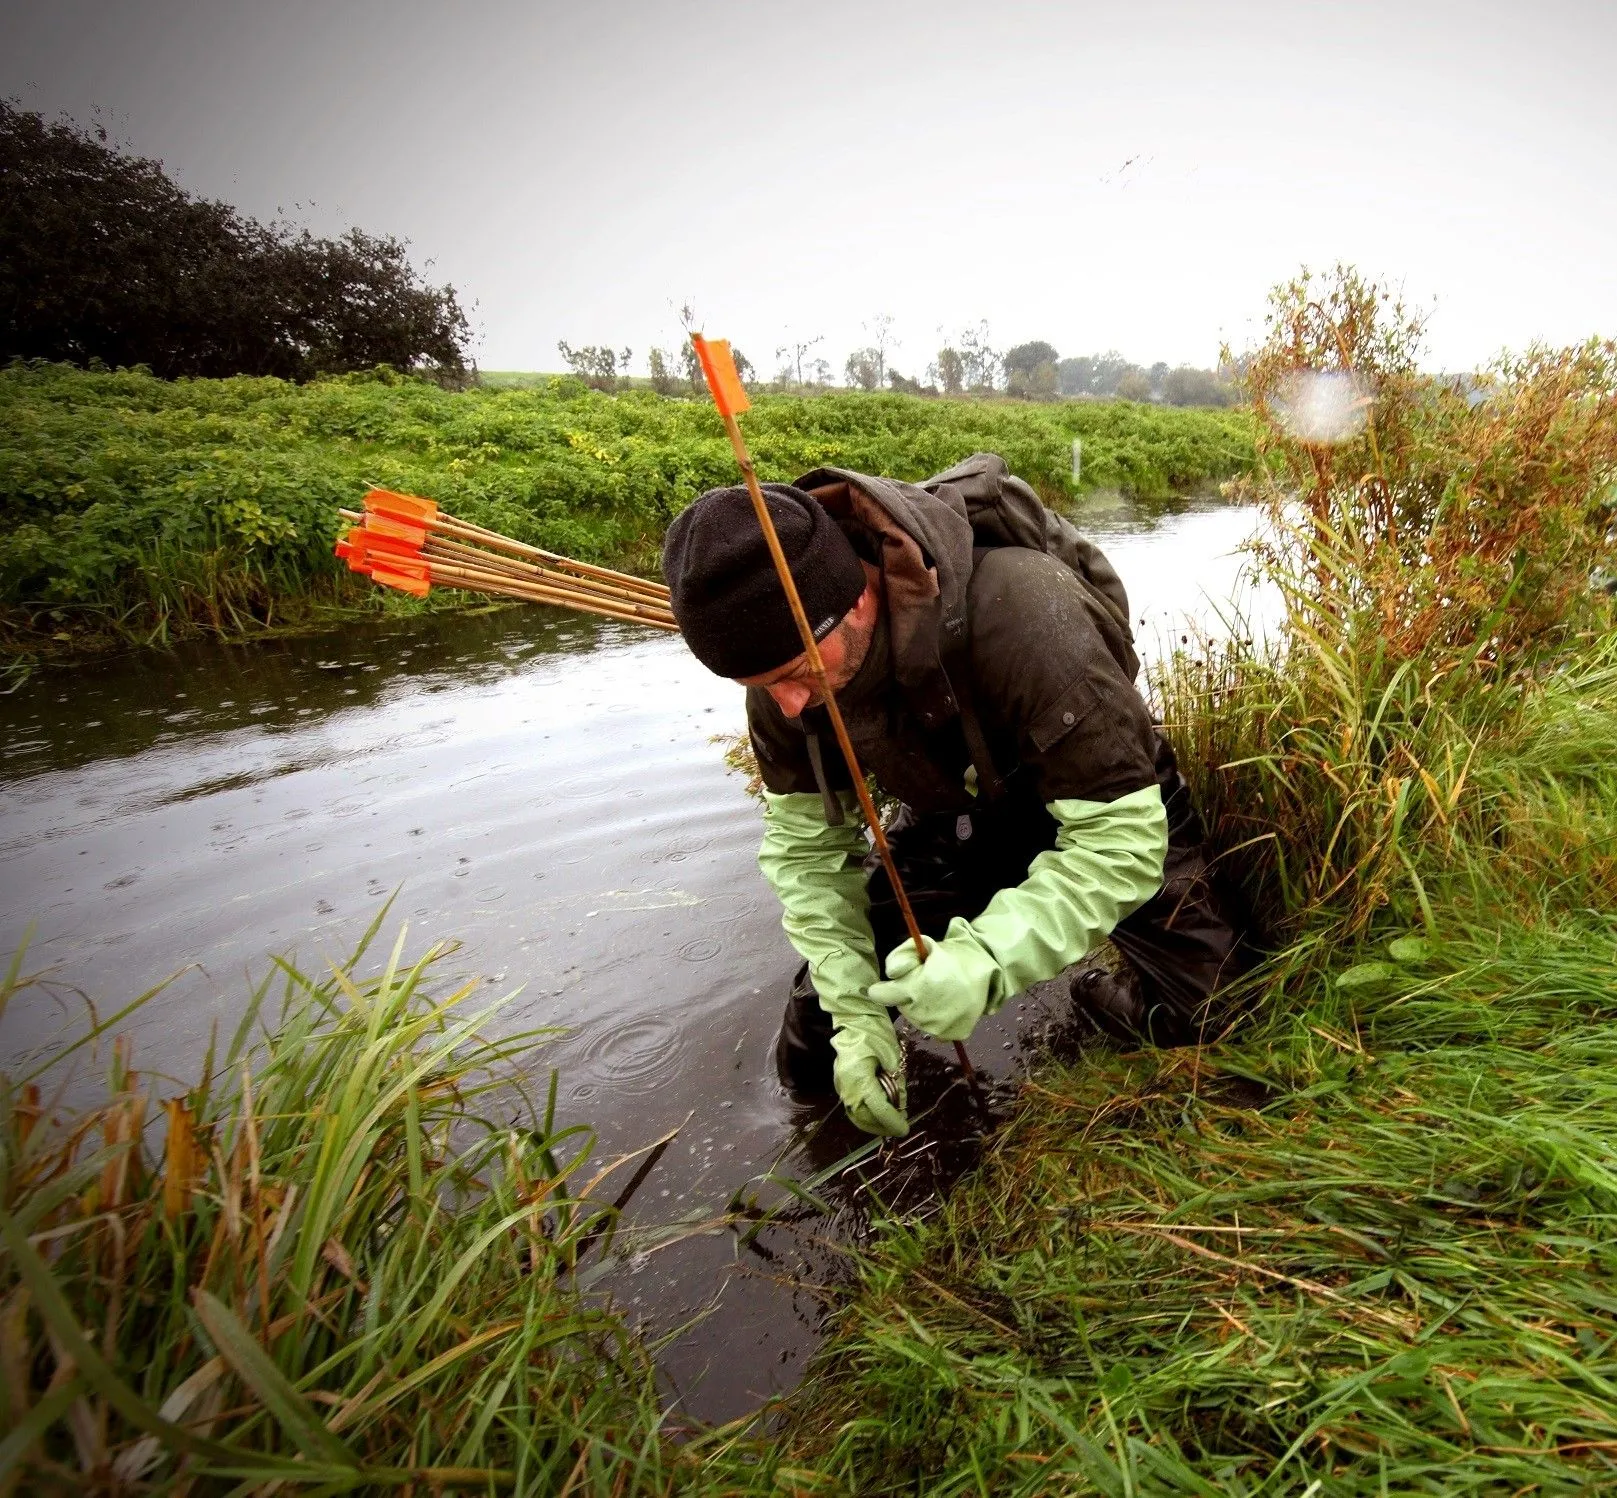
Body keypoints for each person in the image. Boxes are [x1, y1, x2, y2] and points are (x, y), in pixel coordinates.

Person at [661, 453, 1246, 1137]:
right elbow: (810, 857)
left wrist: (986, 959)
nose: (788, 706)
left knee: (1213, 1015)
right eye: (762, 686)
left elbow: (1120, 843)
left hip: (1100, 801)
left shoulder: (1025, 610)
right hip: (956, 818)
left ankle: (1100, 990)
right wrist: (855, 1015)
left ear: (853, 597)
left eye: (794, 674)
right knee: (812, 1046)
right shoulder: (785, 690)